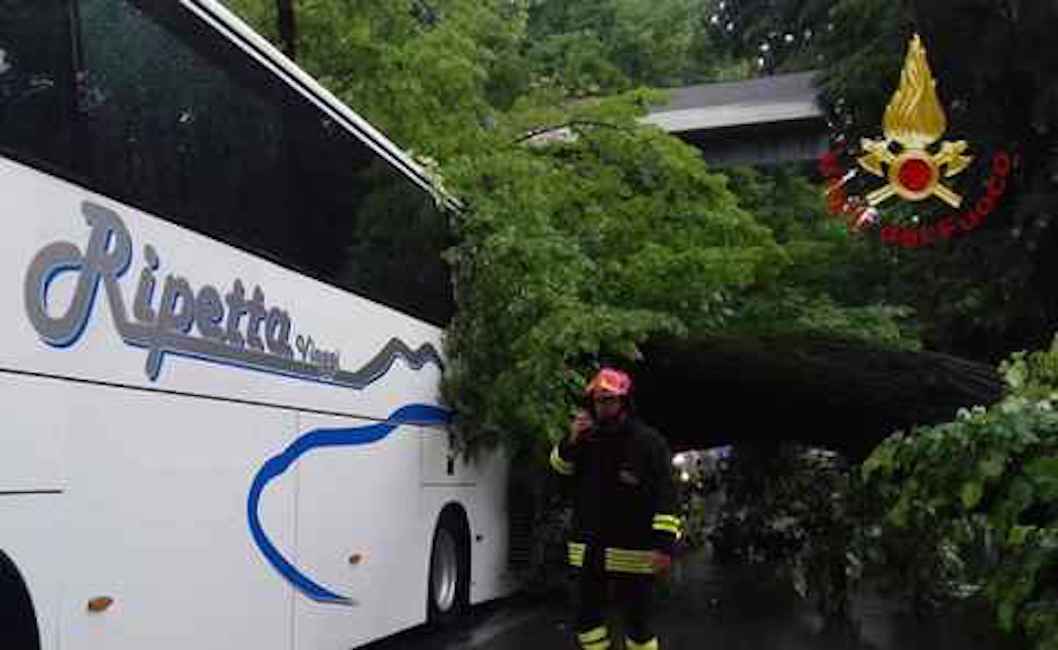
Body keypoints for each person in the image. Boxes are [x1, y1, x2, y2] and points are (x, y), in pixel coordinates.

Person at [550, 367, 681, 650]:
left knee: (637, 626)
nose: (602, 406)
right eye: (598, 400)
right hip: (590, 548)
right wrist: (570, 441)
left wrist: (664, 546)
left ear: (624, 402)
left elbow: (666, 497)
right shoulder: (584, 439)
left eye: (609, 400)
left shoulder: (648, 443)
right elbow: (560, 471)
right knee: (586, 622)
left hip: (633, 551)